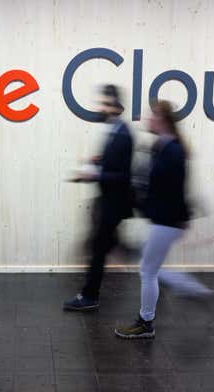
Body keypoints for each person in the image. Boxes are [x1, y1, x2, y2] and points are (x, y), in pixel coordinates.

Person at [114, 100, 214, 338]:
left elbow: (172, 189)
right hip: (164, 220)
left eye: (153, 115)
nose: (149, 119)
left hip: (167, 221)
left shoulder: (173, 150)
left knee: (148, 270)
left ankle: (145, 323)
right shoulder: (164, 147)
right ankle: (195, 292)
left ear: (163, 120)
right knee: (152, 267)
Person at [64, 85, 134, 311]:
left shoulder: (123, 134)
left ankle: (89, 296)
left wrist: (95, 173)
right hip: (108, 202)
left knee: (97, 249)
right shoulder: (116, 130)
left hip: (113, 203)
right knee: (107, 246)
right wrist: (98, 161)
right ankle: (147, 262)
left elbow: (123, 174)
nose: (100, 107)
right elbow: (114, 162)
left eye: (105, 103)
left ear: (115, 106)